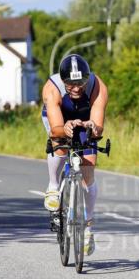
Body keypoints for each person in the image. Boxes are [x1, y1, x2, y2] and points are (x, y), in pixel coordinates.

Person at [41, 54, 108, 256]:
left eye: (81, 83)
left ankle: (87, 228)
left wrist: (92, 127)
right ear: (63, 81)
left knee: (89, 168)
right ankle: (53, 185)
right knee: (60, 144)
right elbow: (56, 130)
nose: (77, 88)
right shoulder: (52, 89)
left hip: (85, 116)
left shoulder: (98, 87)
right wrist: (65, 128)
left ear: (87, 79)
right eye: (71, 84)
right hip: (59, 118)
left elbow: (98, 128)